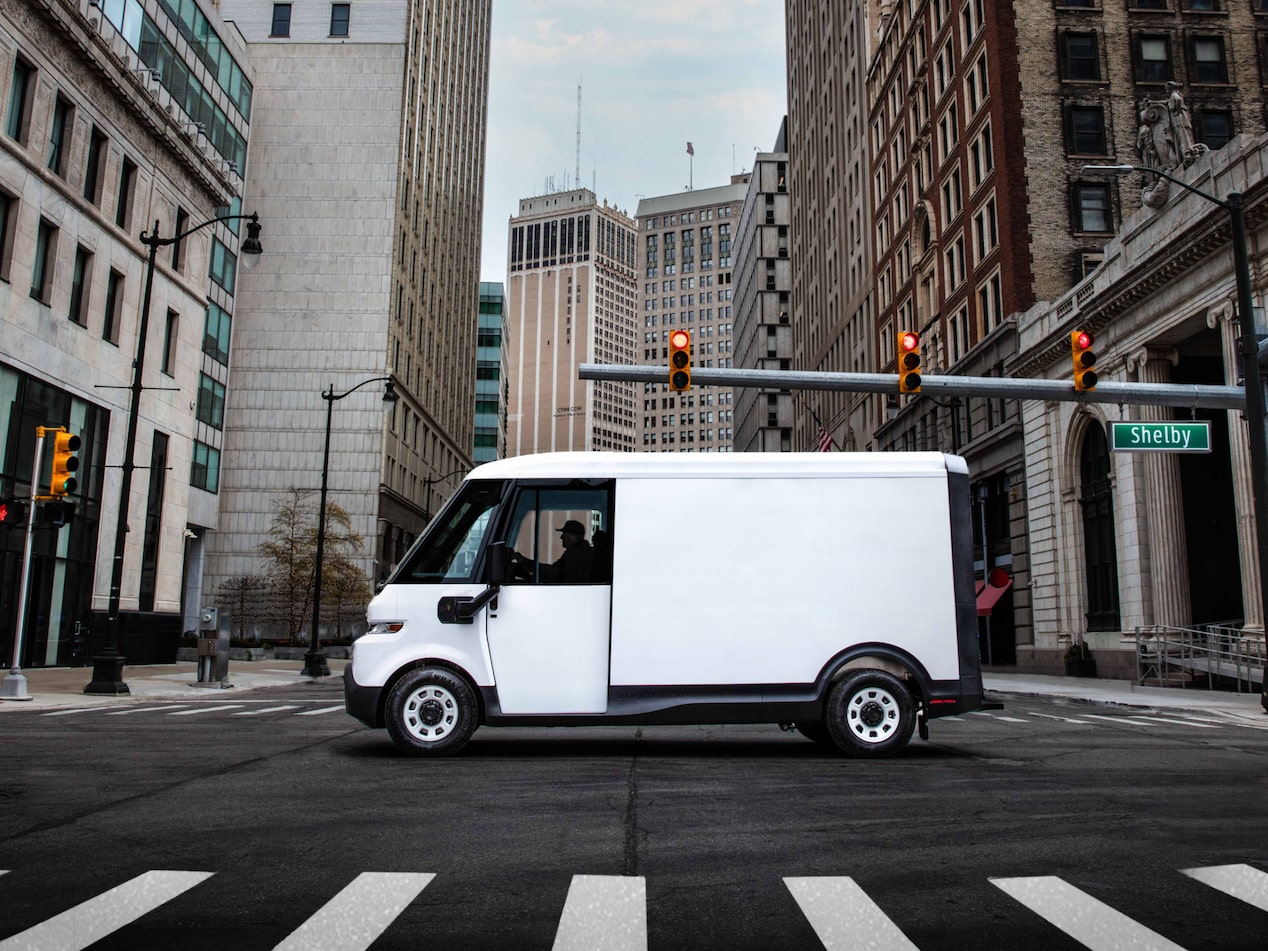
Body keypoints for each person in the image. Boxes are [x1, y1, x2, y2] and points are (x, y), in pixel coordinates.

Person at [509, 520, 595, 583]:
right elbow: (554, 571)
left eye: (565, 533)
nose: (561, 537)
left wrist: (525, 562)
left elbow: (552, 574)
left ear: (575, 536)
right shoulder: (578, 552)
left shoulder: (577, 554)